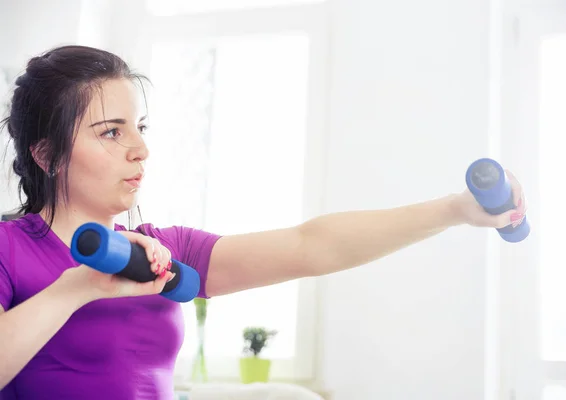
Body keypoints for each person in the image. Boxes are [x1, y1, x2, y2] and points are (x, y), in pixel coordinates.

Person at [0, 45, 527, 399]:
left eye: (138, 127)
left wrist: (455, 210)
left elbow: (311, 246)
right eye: (111, 132)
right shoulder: (9, 249)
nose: (141, 149)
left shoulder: (165, 249)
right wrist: (75, 289)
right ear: (47, 155)